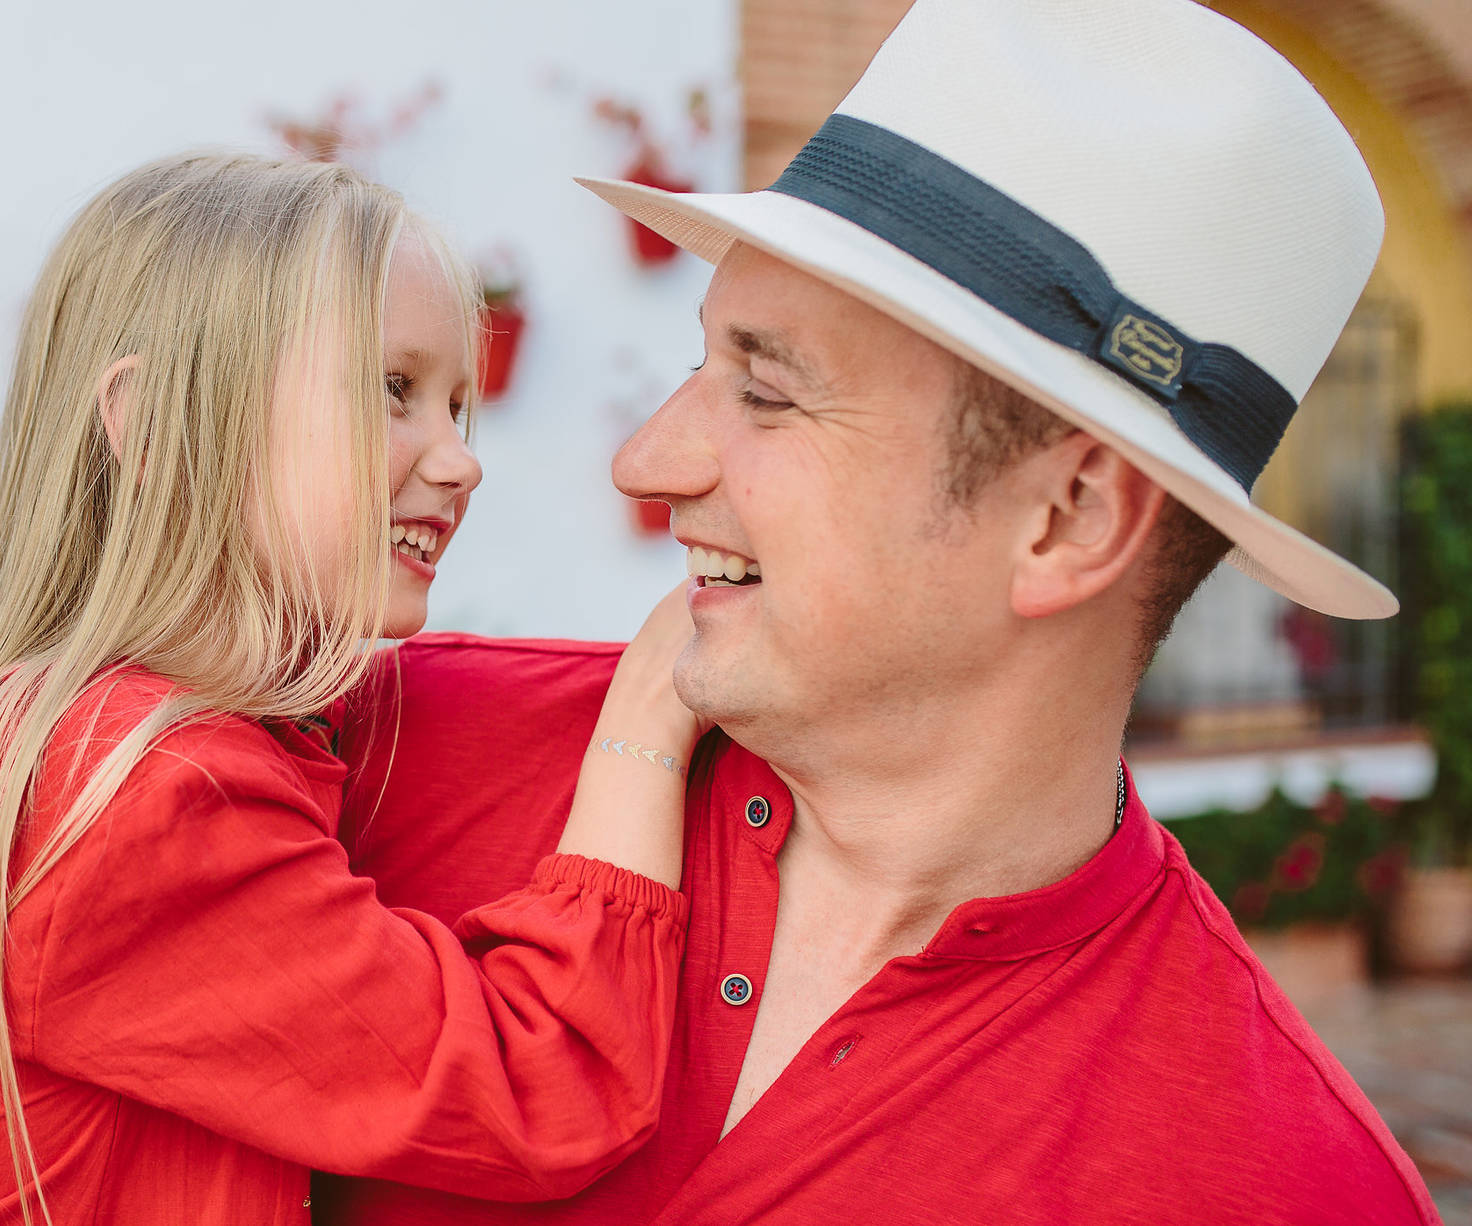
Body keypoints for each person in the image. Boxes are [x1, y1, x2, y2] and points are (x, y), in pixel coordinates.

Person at [317, 1, 1443, 1222]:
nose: (645, 460)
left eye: (767, 389)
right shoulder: (343, 758)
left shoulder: (1279, 1180)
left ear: (1068, 516)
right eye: (700, 365)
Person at [0, 153, 703, 1226]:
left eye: (458, 406)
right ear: (160, 422)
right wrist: (649, 722)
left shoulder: (116, 729)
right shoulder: (142, 787)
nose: (459, 462)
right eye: (392, 390)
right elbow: (538, 1091)